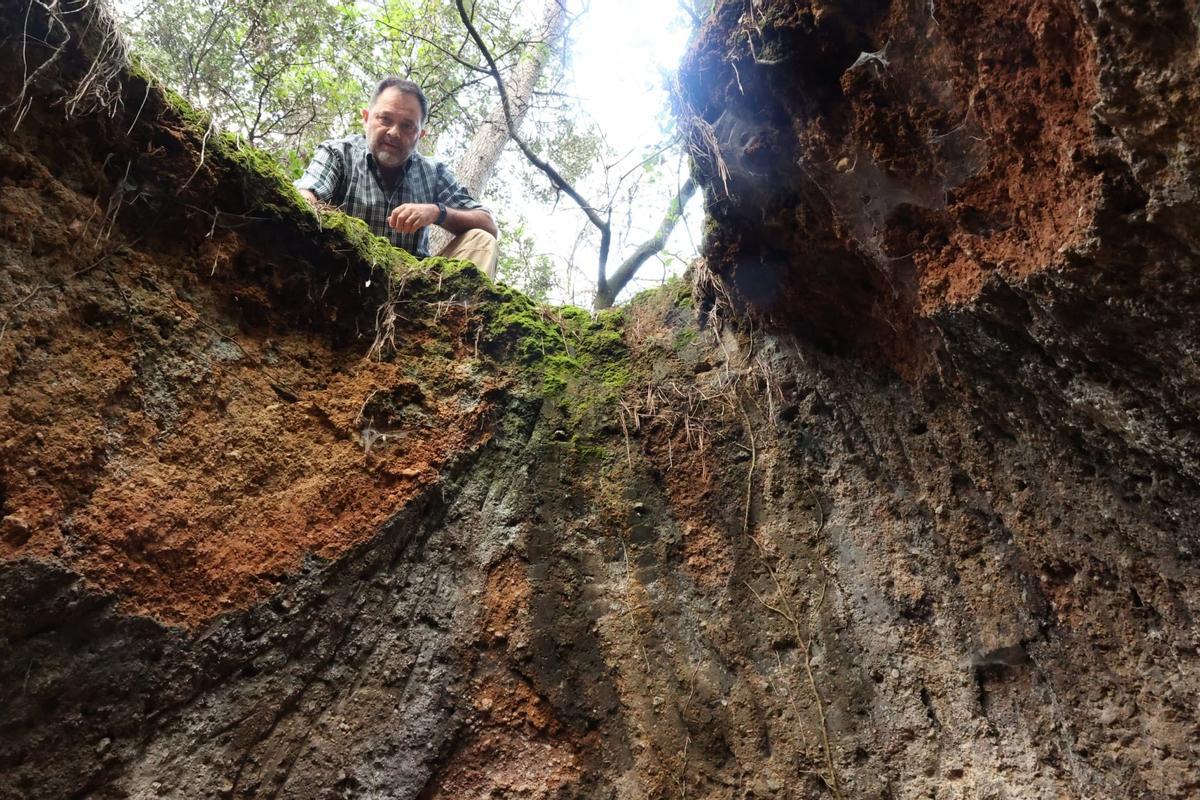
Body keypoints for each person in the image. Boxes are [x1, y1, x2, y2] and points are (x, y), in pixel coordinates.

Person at [295, 77, 500, 277]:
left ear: (420, 135)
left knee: (481, 240)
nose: (394, 132)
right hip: (341, 271)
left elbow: (488, 224)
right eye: (385, 119)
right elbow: (306, 197)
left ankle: (457, 311)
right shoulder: (338, 154)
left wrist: (437, 212)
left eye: (407, 126)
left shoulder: (433, 172)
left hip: (414, 288)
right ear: (366, 119)